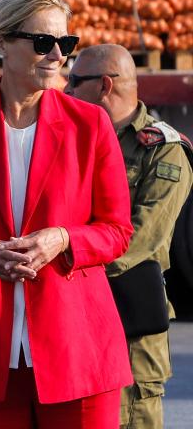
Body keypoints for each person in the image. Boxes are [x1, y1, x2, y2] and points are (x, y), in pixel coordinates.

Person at [0, 0, 134, 428]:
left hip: (78, 349)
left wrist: (63, 238)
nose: (57, 54)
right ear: (1, 44)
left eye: (66, 43)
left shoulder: (89, 123)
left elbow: (117, 230)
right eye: (43, 42)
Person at [66, 44, 193, 429]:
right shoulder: (78, 136)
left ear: (104, 85)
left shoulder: (163, 151)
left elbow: (142, 237)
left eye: (75, 81)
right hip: (79, 311)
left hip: (129, 320)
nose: (66, 89)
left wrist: (67, 257)